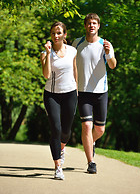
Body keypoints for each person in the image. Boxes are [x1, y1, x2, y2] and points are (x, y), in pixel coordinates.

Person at [72, 13, 117, 174]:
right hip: (83, 92)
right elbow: (71, 64)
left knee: (99, 130)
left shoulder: (105, 44)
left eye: (94, 23)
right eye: (89, 23)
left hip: (101, 93)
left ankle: (90, 142)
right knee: (86, 126)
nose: (91, 25)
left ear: (98, 26)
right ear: (85, 26)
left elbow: (112, 65)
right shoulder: (77, 43)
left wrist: (108, 54)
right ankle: (91, 162)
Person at [40, 21, 78, 180]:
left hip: (70, 93)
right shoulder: (45, 52)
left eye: (59, 33)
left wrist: (77, 90)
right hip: (52, 95)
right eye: (53, 33)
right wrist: (48, 54)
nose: (56, 36)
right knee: (56, 128)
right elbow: (46, 75)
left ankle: (61, 148)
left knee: (66, 131)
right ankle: (58, 167)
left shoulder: (72, 51)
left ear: (64, 35)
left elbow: (75, 70)